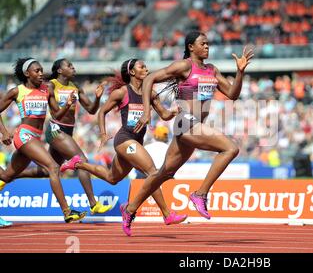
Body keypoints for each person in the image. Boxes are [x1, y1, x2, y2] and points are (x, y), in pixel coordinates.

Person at [121, 31, 254, 235]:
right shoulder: (184, 66)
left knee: (164, 173)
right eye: (203, 44)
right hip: (186, 122)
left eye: (208, 43)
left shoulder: (212, 70)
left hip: (195, 127)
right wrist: (147, 111)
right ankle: (200, 194)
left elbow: (233, 94)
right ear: (191, 47)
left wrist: (240, 72)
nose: (207, 47)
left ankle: (129, 209)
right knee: (230, 148)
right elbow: (150, 80)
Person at [59, 59, 187, 234]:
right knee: (152, 172)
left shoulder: (150, 93)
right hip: (124, 139)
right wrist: (103, 134)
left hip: (136, 141)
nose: (147, 68)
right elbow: (102, 112)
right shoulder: (122, 93)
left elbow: (164, 115)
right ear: (132, 72)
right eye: (142, 66)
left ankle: (78, 164)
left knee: (112, 178)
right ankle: (165, 214)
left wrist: (174, 112)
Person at [12, 59, 112, 215]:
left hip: (68, 131)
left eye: (73, 65)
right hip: (55, 130)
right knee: (82, 161)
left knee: (48, 171)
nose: (73, 68)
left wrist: (98, 98)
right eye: (69, 66)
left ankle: (13, 175)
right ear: (59, 70)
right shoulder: (50, 86)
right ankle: (93, 204)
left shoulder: (76, 88)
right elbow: (55, 113)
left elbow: (92, 110)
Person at [0, 58, 86, 223]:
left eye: (41, 70)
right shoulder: (17, 91)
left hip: (35, 136)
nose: (41, 73)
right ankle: (67, 212)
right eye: (37, 71)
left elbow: (57, 115)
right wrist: (4, 132)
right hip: (24, 135)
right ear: (27, 74)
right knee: (53, 167)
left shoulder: (46, 90)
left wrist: (67, 105)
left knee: (6, 176)